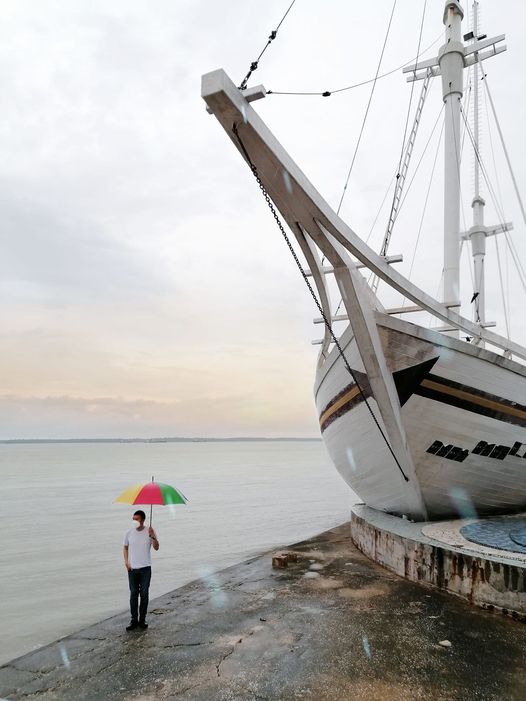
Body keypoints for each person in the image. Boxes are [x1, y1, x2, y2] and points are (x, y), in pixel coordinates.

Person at [123, 509, 159, 631]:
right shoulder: (128, 532)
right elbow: (125, 547)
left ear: (142, 520)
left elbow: (156, 547)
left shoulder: (149, 531)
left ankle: (142, 619)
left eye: (136, 519)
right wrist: (126, 562)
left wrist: (153, 536)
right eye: (133, 519)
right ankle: (134, 620)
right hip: (132, 569)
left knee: (144, 594)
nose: (134, 521)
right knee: (133, 594)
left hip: (145, 569)